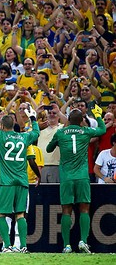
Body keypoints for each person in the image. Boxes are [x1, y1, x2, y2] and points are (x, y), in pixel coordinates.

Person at [0, 94, 40, 253]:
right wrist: (32, 117)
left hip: (6, 182)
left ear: (2, 126)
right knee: (20, 215)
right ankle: (23, 246)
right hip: (22, 182)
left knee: (0, 214)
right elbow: (36, 133)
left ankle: (7, 246)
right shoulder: (24, 137)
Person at [47, 106, 106, 253]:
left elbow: (48, 149)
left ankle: (67, 245)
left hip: (66, 177)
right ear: (81, 122)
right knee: (84, 208)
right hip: (82, 177)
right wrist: (98, 116)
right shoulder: (86, 132)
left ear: (68, 121)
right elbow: (102, 130)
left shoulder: (60, 133)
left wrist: (59, 142)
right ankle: (83, 241)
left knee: (66, 210)